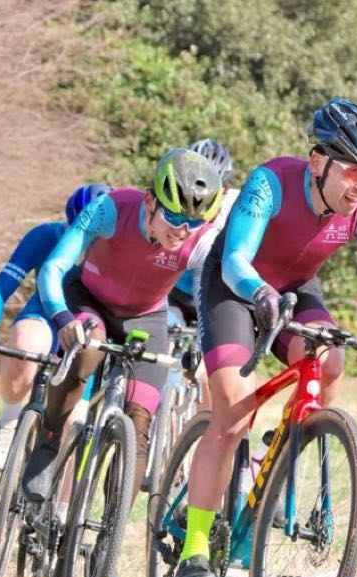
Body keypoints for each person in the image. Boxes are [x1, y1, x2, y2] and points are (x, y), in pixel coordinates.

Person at [175, 99, 357, 577]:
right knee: (234, 409)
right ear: (318, 162)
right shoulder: (270, 183)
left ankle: (281, 454)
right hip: (234, 287)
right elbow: (235, 260)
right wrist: (260, 295)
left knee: (330, 360)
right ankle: (196, 547)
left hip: (294, 289)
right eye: (353, 171)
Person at [18, 149, 224, 516]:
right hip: (89, 301)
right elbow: (54, 267)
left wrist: (206, 348)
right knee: (89, 350)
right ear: (150, 201)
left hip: (145, 317)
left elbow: (209, 296)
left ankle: (109, 537)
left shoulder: (201, 240)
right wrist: (63, 319)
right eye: (173, 216)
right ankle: (49, 441)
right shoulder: (112, 208)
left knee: (140, 424)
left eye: (192, 223)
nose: (181, 230)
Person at [0, 183, 109, 469]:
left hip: (88, 326)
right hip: (45, 317)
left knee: (73, 428)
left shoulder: (118, 252)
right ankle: (8, 424)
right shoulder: (45, 235)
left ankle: (58, 496)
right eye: (74, 232)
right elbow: (0, 288)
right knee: (24, 342)